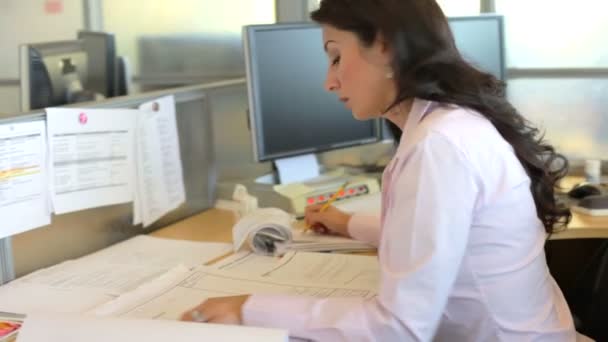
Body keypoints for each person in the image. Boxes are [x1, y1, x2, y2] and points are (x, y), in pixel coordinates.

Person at [181, 0, 576, 340]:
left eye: (336, 56)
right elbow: (441, 236)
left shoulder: (439, 146)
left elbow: (399, 330)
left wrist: (247, 310)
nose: (328, 81)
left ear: (385, 47)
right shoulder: (449, 125)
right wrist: (348, 224)